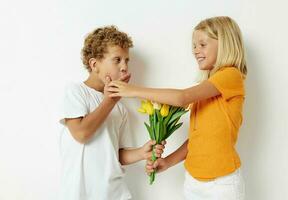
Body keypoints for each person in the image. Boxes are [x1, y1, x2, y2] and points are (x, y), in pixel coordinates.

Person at [108, 16, 247, 200]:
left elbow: (182, 98)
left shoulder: (231, 75)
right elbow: (197, 139)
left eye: (202, 44)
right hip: (193, 182)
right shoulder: (208, 87)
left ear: (225, 44)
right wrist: (167, 162)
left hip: (221, 184)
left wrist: (133, 91)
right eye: (194, 46)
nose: (196, 51)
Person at [58, 26, 165, 200]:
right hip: (80, 193)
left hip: (115, 193)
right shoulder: (76, 92)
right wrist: (110, 101)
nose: (124, 67)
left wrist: (141, 152)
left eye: (126, 60)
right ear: (94, 64)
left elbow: (117, 154)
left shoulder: (120, 108)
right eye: (117, 60)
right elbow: (81, 133)